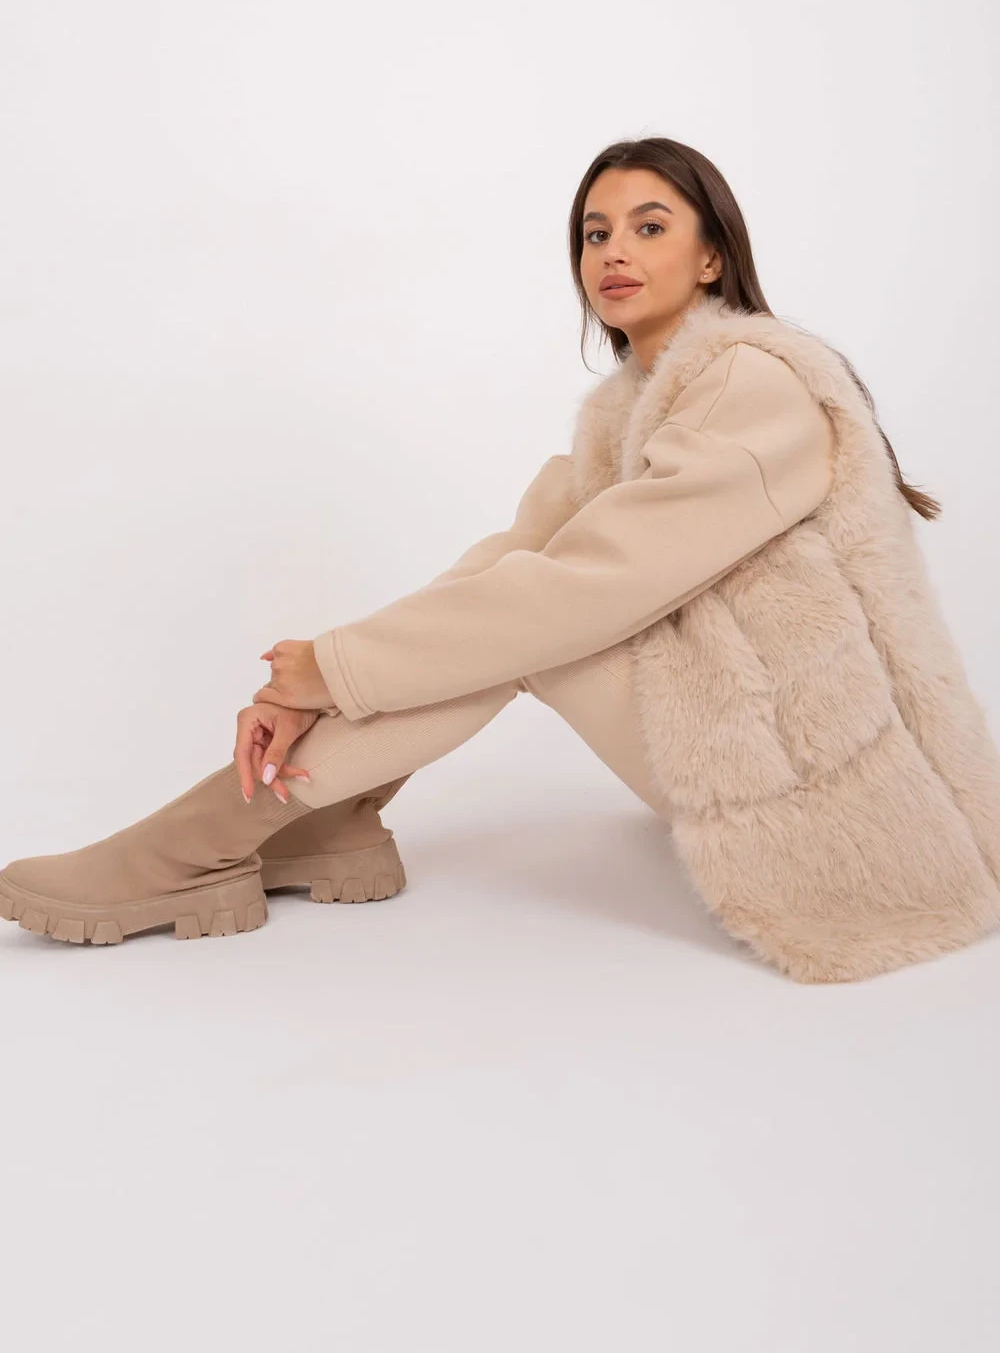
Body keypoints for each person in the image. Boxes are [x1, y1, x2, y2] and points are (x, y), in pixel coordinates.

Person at [4, 137, 999, 984]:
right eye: (594, 234)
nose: (612, 252)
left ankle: (195, 846)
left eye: (649, 226)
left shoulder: (753, 386)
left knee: (535, 632)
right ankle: (325, 818)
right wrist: (319, 677)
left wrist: (336, 671)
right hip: (745, 755)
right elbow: (511, 561)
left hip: (837, 808)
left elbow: (578, 590)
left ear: (710, 258)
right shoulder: (628, 411)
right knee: (507, 606)